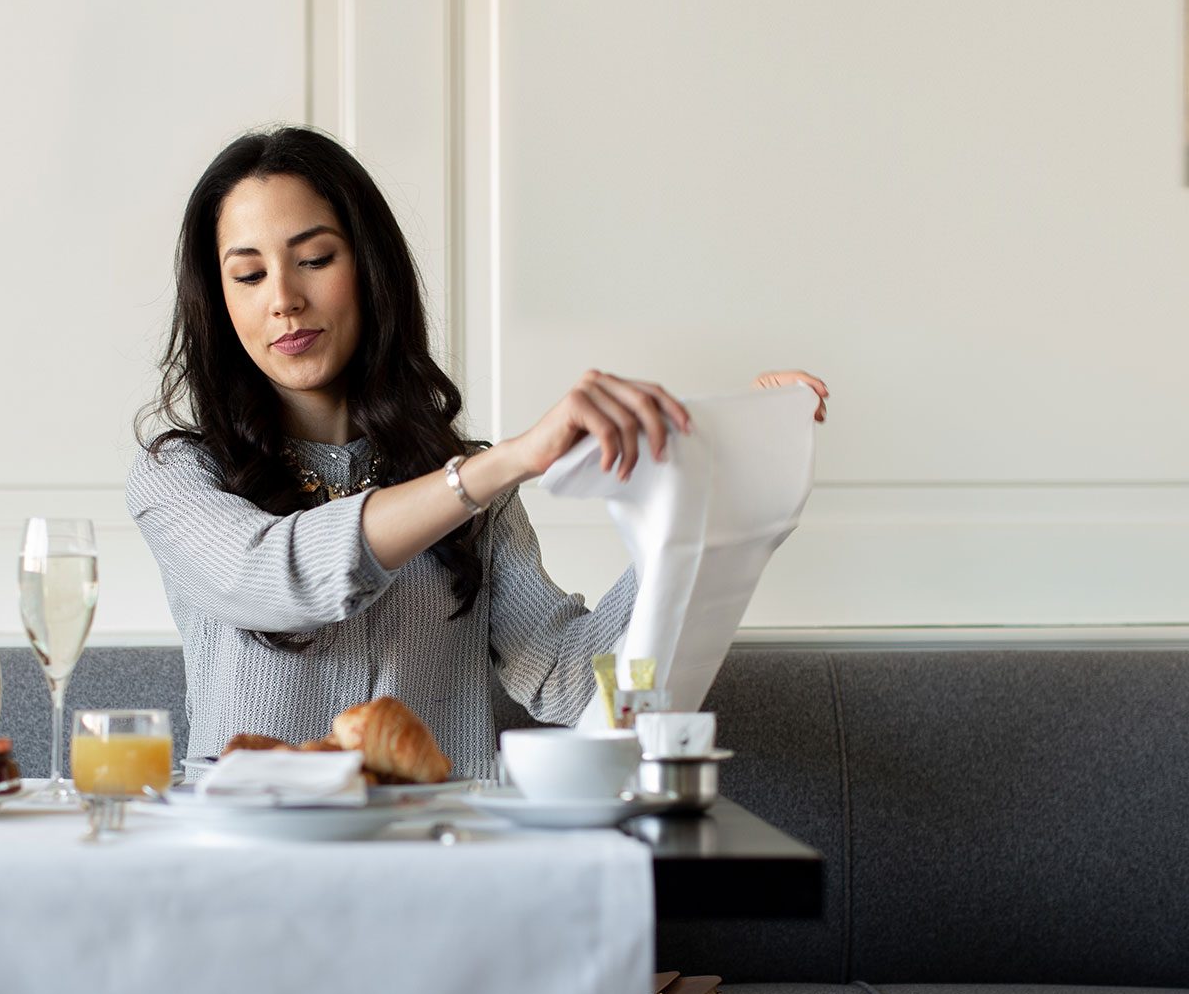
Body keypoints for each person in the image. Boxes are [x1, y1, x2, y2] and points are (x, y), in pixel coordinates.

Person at [127, 126, 826, 779]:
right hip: (251, 879)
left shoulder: (474, 493)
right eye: (248, 276)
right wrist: (499, 466)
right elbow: (281, 580)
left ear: (368, 270)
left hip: (440, 867)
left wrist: (720, 477)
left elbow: (569, 679)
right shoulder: (179, 479)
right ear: (220, 302)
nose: (284, 298)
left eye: (313, 259)